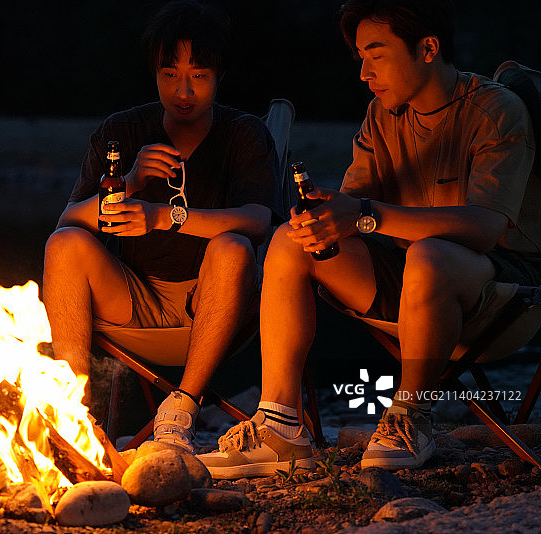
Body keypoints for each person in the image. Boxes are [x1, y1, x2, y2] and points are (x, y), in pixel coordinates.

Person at [199, 0, 539, 477]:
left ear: (427, 48)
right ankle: (279, 425)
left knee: (431, 256)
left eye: (375, 54)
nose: (364, 73)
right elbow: (357, 208)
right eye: (360, 57)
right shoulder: (382, 116)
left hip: (504, 298)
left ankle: (410, 416)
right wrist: (326, 215)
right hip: (407, 289)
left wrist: (363, 215)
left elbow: (485, 228)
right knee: (289, 241)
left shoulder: (495, 111)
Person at [42, 0, 281, 454]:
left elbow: (258, 220)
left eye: (199, 75)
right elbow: (68, 220)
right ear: (155, 71)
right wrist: (129, 183)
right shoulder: (124, 130)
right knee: (65, 245)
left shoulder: (242, 133)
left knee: (232, 246)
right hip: (134, 299)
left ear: (220, 75)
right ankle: (73, 414)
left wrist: (165, 217)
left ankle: (182, 408)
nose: (183, 90)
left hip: (215, 303)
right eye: (170, 74)